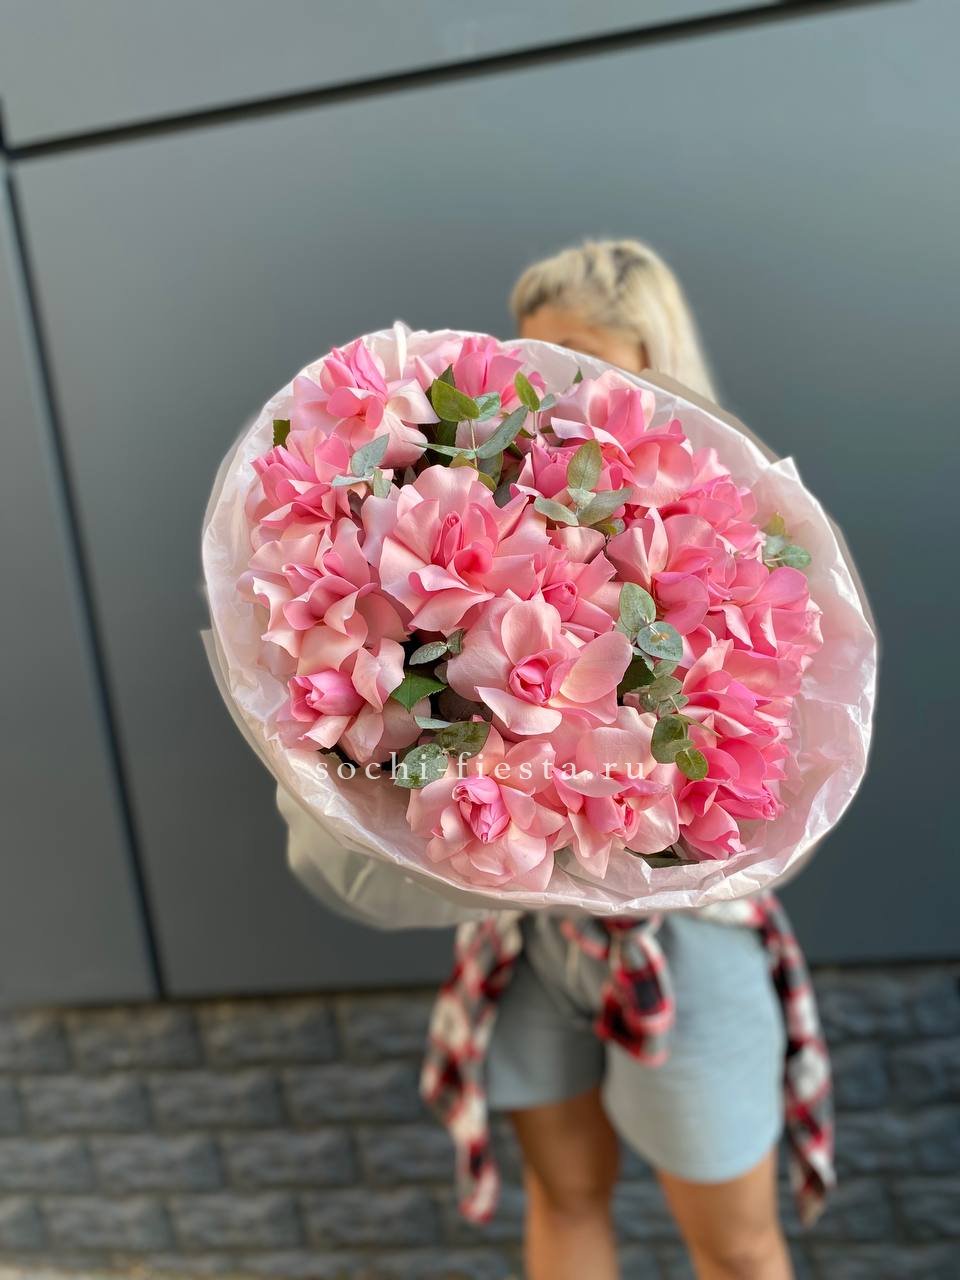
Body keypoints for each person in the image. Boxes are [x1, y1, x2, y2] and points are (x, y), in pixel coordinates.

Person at [276, 237, 833, 1280]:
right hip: (527, 938)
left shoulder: (736, 526)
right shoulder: (489, 494)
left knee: (739, 1246)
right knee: (567, 1200)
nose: (557, 388)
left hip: (682, 940)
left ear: (654, 361)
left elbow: (765, 752)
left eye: (586, 359)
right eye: (536, 356)